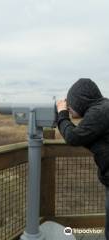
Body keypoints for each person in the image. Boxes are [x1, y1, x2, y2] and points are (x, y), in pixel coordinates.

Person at [56, 78, 109, 240]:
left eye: (70, 104)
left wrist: (62, 115)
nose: (69, 107)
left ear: (81, 101)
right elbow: (92, 139)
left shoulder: (100, 111)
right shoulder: (103, 108)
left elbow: (73, 137)